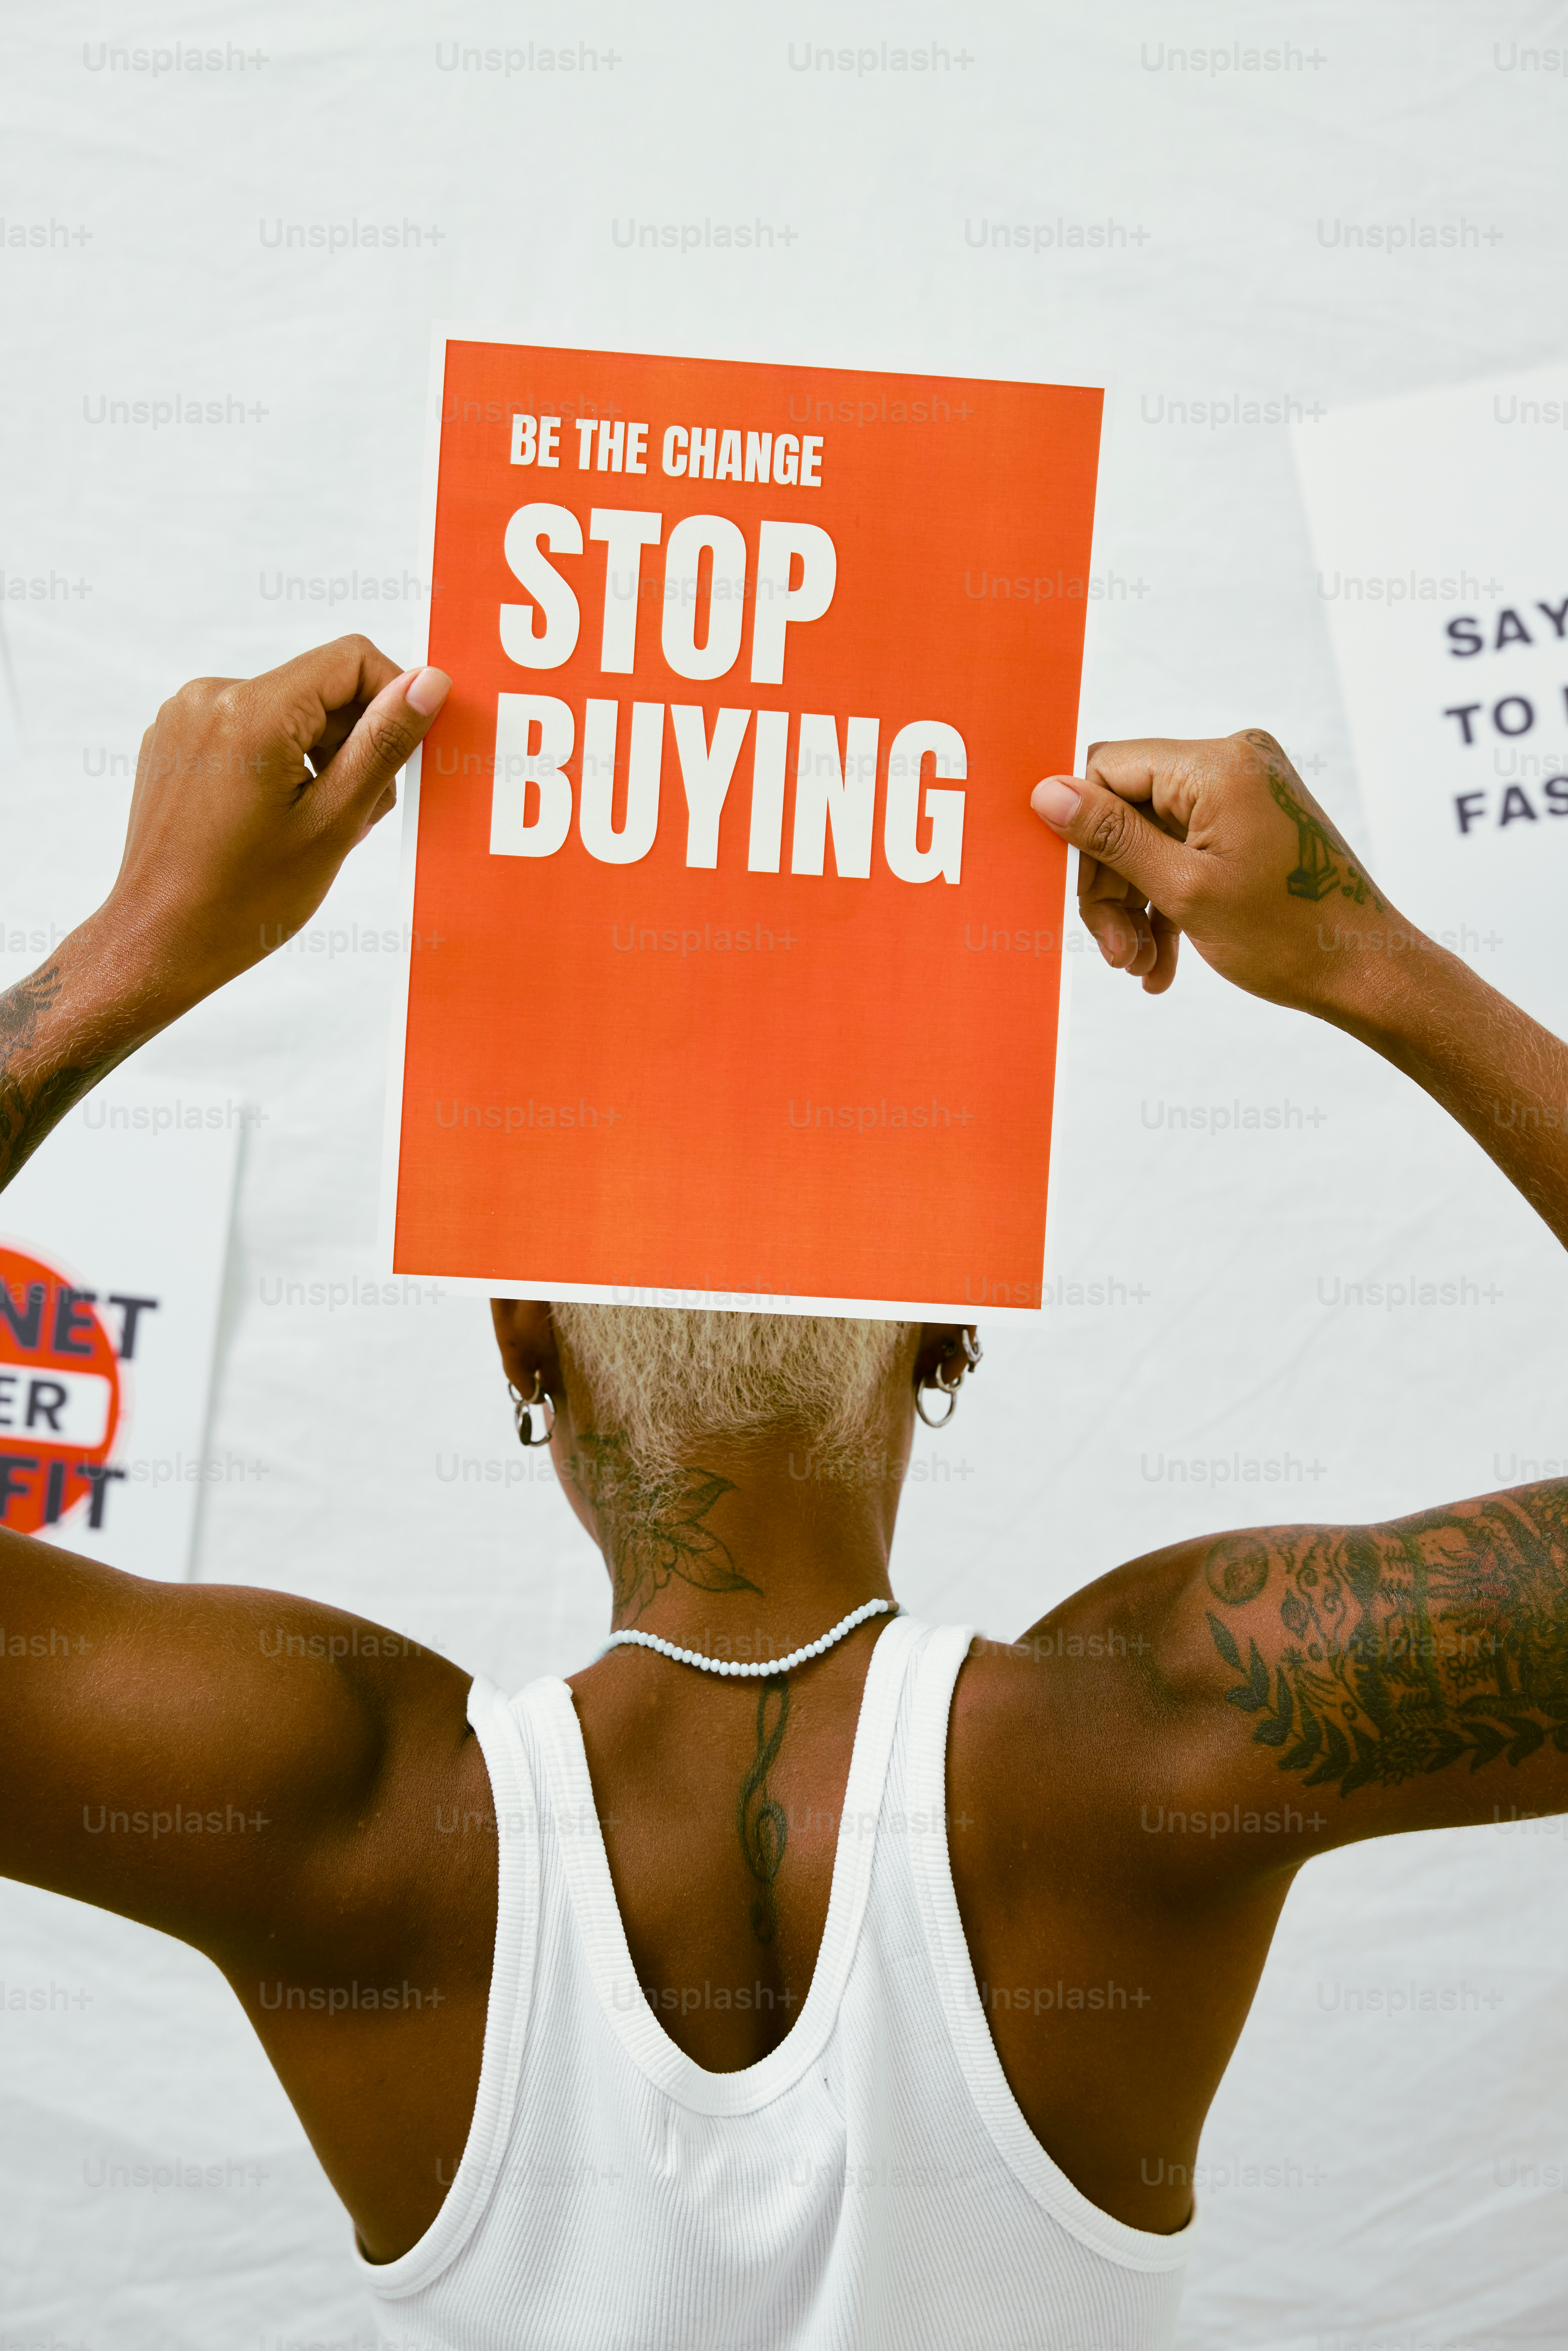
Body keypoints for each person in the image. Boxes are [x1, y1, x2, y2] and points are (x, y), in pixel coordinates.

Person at [2, 636, 1565, 2351]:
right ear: (944, 1335)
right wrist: (1364, 955)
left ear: (523, 1342)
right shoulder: (1167, 1732)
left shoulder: (335, 1808)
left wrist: (131, 950)